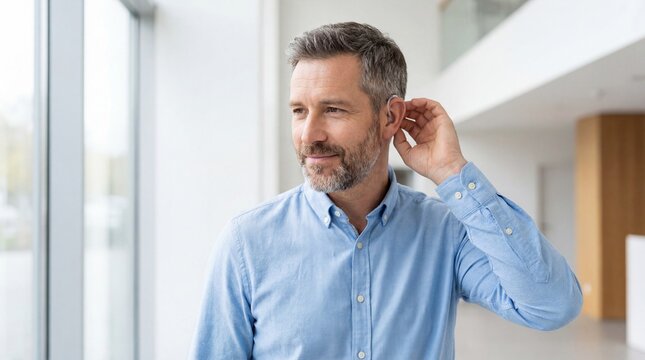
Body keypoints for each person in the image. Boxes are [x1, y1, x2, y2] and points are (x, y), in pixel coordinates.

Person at [190, 22, 582, 359]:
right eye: (299, 111)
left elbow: (551, 306)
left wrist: (451, 173)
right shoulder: (247, 243)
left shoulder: (444, 233)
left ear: (390, 117)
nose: (309, 134)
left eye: (333, 110)